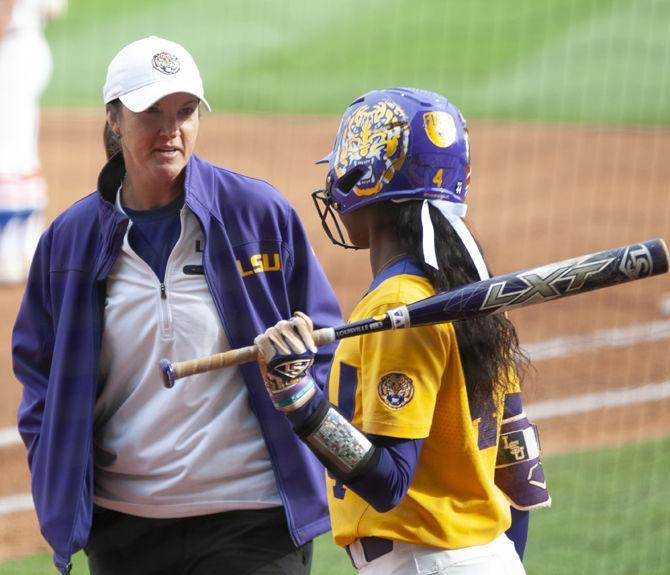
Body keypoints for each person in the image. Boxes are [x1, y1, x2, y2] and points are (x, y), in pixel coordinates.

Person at [12, 35, 342, 575]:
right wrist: (58, 468)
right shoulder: (69, 242)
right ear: (115, 119)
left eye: (185, 112)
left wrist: (299, 386)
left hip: (253, 517)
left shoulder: (257, 216)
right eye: (152, 113)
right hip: (124, 530)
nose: (171, 130)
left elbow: (327, 339)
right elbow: (38, 375)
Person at [254, 87, 551, 574]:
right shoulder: (474, 296)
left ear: (362, 179)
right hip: (486, 557)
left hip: (425, 563)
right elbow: (519, 471)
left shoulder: (398, 304)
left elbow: (388, 482)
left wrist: (298, 399)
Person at [0, 0, 67, 283]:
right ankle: (24, 247)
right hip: (28, 44)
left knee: (7, 154)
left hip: (12, 49)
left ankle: (8, 252)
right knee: (21, 151)